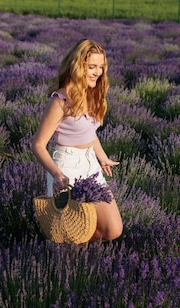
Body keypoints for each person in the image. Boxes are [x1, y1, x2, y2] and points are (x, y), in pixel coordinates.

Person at [31, 39, 123, 242]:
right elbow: (37, 145)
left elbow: (89, 133)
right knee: (73, 232)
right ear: (78, 66)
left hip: (90, 165)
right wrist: (56, 174)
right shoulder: (60, 101)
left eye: (100, 67)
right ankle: (69, 264)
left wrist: (102, 158)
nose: (97, 72)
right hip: (67, 168)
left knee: (113, 229)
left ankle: (77, 256)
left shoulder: (90, 94)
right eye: (92, 67)